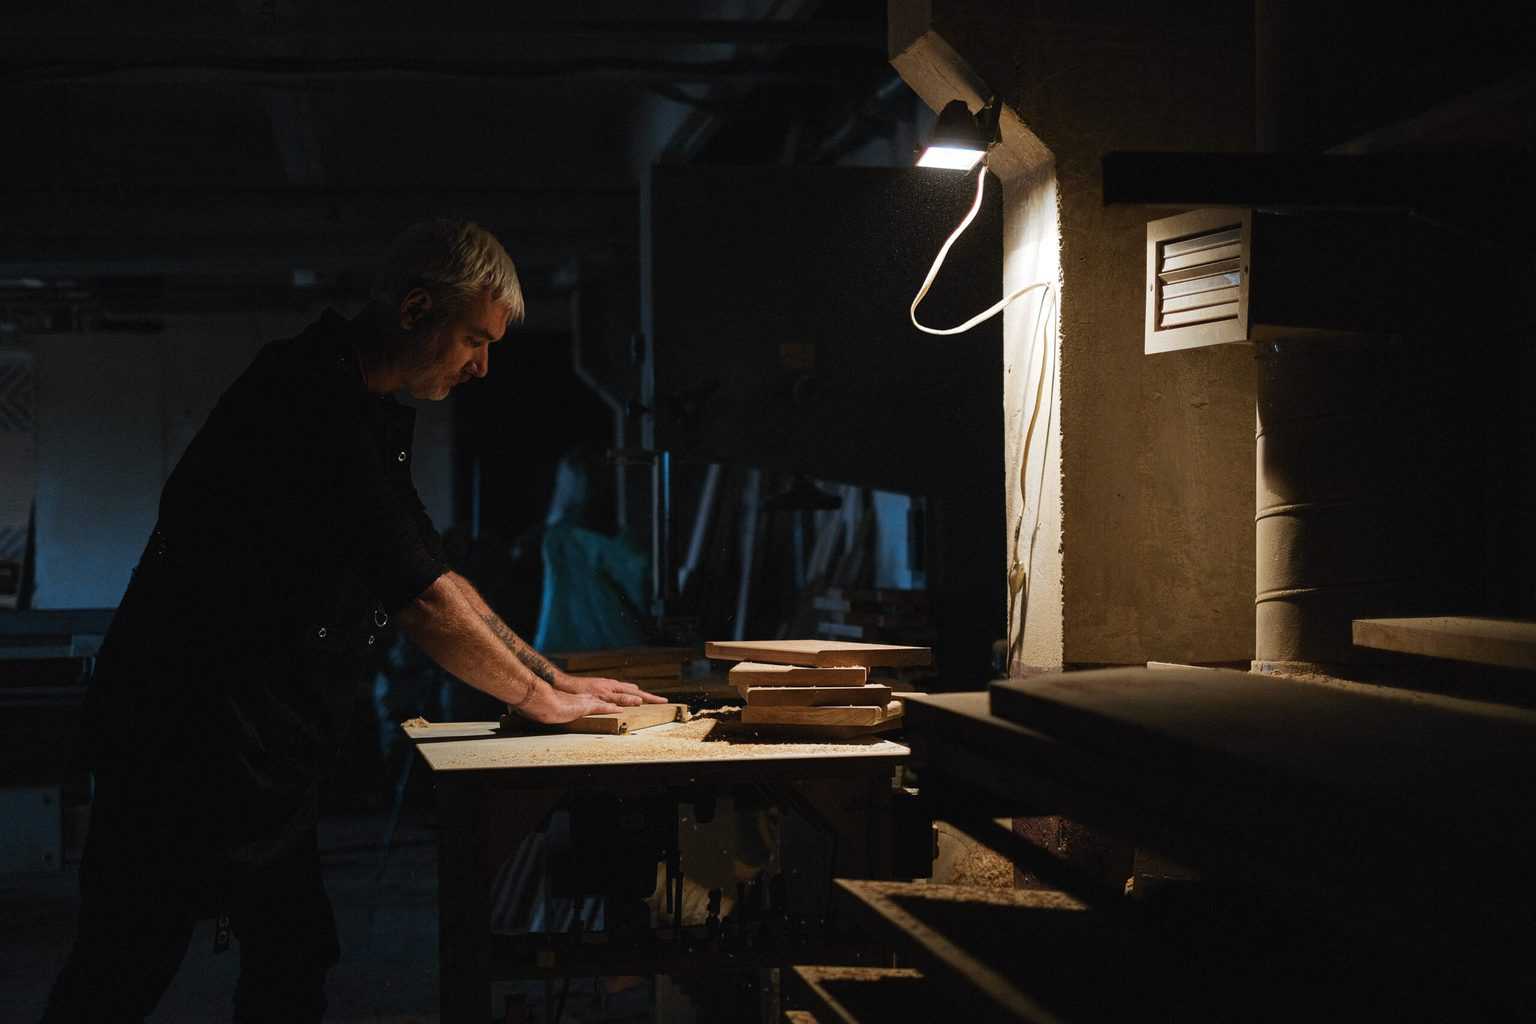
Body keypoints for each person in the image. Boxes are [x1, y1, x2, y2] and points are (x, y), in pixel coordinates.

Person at [41, 219, 665, 1023]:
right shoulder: (308, 400)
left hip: (256, 747)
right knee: (124, 965)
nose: (482, 366)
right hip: (181, 740)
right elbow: (423, 599)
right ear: (415, 309)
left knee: (292, 957)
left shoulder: (360, 407)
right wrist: (541, 706)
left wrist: (554, 677)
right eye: (474, 339)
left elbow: (437, 569)